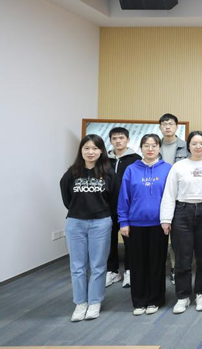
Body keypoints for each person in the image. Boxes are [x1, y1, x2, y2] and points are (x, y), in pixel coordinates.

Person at [160, 131, 202, 314]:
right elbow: (169, 194)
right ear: (188, 146)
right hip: (182, 212)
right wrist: (166, 219)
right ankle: (183, 296)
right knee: (182, 257)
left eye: (201, 143)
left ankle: (201, 293)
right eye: (194, 143)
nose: (198, 146)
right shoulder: (178, 166)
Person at [60, 134, 115, 322]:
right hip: (75, 223)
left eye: (95, 148)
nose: (91, 152)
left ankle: (94, 302)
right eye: (87, 148)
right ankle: (80, 303)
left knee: (98, 265)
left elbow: (113, 198)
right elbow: (67, 198)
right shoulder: (72, 173)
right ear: (81, 150)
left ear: (101, 151)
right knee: (77, 266)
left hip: (101, 222)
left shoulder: (108, 173)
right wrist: (79, 211)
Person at [118, 134, 172, 316]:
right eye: (146, 145)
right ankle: (139, 300)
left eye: (154, 145)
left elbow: (171, 197)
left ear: (159, 148)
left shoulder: (167, 169)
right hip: (135, 224)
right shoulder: (131, 170)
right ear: (140, 148)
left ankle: (155, 299)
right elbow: (123, 197)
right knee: (137, 264)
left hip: (159, 224)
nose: (150, 149)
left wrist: (168, 220)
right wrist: (124, 221)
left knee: (157, 263)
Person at [106, 127, 140, 289]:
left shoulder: (136, 159)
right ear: (110, 141)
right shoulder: (104, 160)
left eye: (121, 138)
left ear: (128, 140)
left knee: (130, 242)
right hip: (108, 207)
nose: (118, 141)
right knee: (109, 241)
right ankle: (112, 271)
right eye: (114, 138)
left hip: (129, 207)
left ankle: (129, 271)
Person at [158, 113, 189, 286]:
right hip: (157, 194)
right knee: (160, 233)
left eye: (170, 123)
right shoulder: (154, 145)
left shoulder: (185, 147)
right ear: (160, 127)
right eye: (164, 124)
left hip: (179, 196)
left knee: (177, 237)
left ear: (177, 127)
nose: (167, 126)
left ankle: (175, 268)